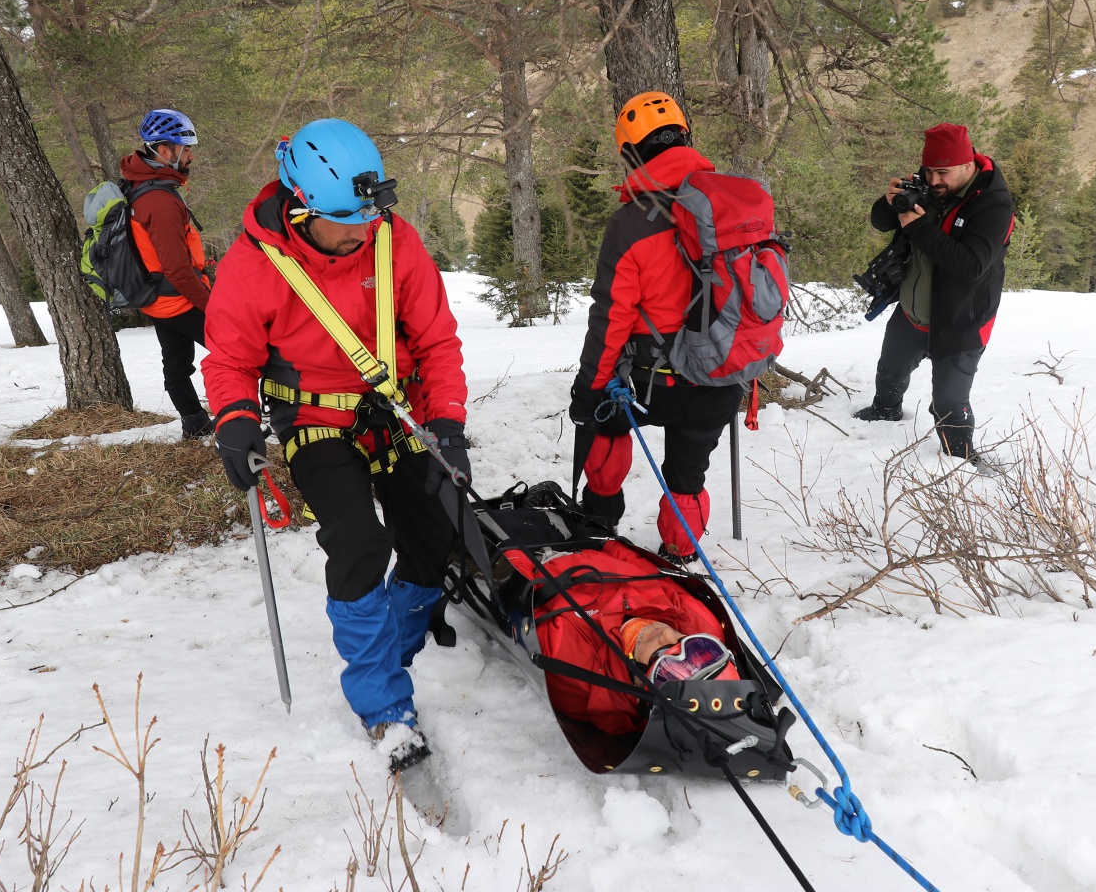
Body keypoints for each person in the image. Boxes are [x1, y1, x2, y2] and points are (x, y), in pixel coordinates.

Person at [202, 118, 470, 772]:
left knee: (433, 529)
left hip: (395, 406)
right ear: (301, 208)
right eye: (344, 219)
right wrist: (235, 421)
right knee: (358, 542)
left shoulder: (392, 240)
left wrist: (450, 424)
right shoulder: (254, 264)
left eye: (369, 214)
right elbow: (228, 361)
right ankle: (382, 704)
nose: (361, 230)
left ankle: (394, 640)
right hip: (315, 419)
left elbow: (435, 341)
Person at [568, 91, 742, 564]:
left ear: (631, 153)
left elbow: (610, 320)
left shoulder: (630, 224)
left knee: (606, 421)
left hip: (650, 382)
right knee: (688, 474)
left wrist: (588, 390)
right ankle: (681, 552)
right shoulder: (734, 205)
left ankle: (600, 525)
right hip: (722, 375)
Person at [853, 123, 1014, 461]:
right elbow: (882, 222)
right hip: (913, 308)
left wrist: (918, 225)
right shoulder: (931, 187)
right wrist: (890, 203)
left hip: (962, 319)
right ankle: (886, 412)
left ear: (968, 165)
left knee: (949, 403)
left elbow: (970, 266)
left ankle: (961, 460)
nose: (935, 180)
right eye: (929, 171)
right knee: (890, 370)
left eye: (944, 172)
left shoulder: (994, 205)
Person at [505, 539, 740, 736]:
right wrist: (607, 544)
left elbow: (523, 608)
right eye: (696, 646)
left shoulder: (581, 674)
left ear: (641, 685)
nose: (668, 634)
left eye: (664, 658)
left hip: (535, 560)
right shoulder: (698, 622)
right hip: (584, 543)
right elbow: (651, 573)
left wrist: (510, 555)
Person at [122, 108, 214, 438]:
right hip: (179, 298)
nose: (190, 156)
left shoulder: (141, 185)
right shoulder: (159, 200)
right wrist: (211, 305)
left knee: (176, 364)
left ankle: (194, 422)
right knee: (240, 352)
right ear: (165, 151)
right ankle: (246, 417)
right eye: (186, 149)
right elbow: (176, 267)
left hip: (158, 298)